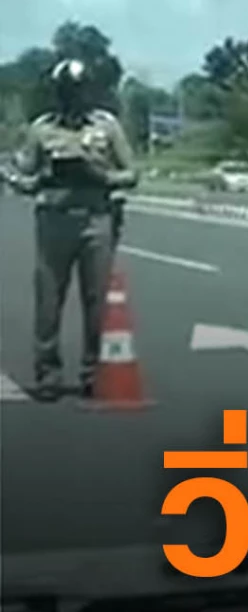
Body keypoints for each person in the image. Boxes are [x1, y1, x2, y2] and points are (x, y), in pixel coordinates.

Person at [11, 59, 138, 401]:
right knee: (49, 299)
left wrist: (101, 176)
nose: (73, 98)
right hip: (55, 220)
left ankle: (92, 373)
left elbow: (132, 173)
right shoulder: (41, 129)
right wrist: (39, 179)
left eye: (78, 91)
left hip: (97, 219)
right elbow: (24, 176)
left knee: (97, 301)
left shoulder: (107, 126)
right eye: (67, 92)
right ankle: (48, 374)